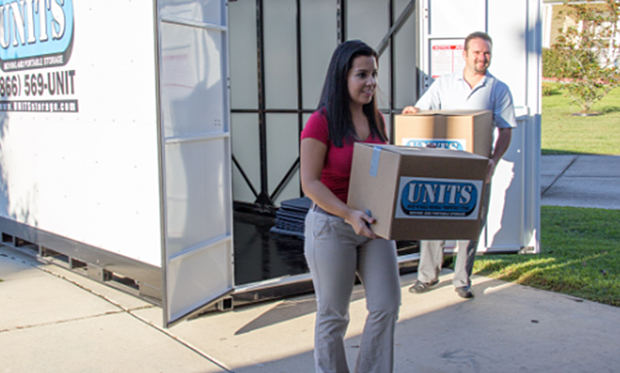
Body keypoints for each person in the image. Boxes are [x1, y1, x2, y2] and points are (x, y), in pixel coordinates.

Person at [300, 40, 401, 373]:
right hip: (332, 227)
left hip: (372, 229)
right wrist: (348, 213)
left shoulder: (377, 122)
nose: (371, 82)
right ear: (341, 77)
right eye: (362, 75)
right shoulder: (321, 122)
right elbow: (310, 183)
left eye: (374, 74)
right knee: (334, 315)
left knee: (387, 305)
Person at [402, 31, 516, 299]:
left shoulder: (498, 89)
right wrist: (412, 113)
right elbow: (422, 112)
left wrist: (493, 162)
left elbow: (506, 130)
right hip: (443, 165)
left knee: (470, 223)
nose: (482, 58)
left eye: (486, 53)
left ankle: (461, 280)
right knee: (435, 219)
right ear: (464, 54)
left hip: (476, 168)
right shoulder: (444, 84)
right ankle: (427, 276)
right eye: (476, 52)